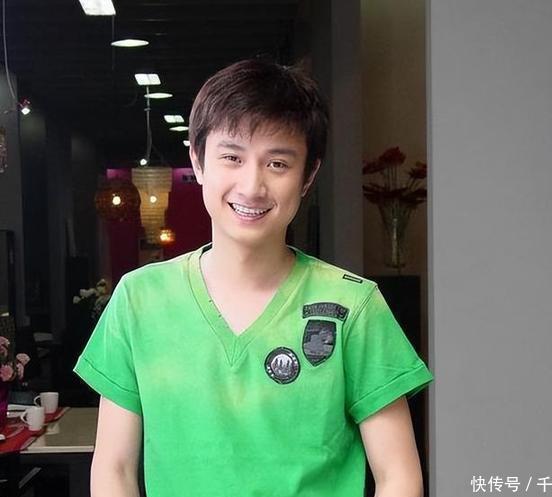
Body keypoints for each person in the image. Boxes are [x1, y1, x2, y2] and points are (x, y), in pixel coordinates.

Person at [74, 58, 434, 497]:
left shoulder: (353, 306)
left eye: (277, 164)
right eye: (232, 157)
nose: (251, 186)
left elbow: (399, 476)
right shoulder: (139, 299)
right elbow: (114, 468)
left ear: (308, 176)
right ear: (198, 161)